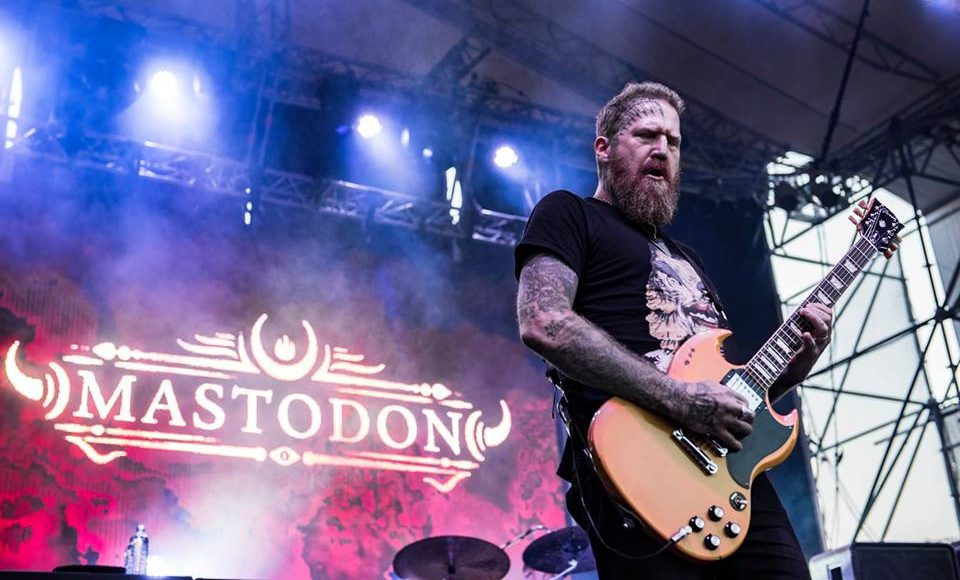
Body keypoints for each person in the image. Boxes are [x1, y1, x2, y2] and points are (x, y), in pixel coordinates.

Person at [513, 81, 832, 579]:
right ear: (603, 148)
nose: (663, 149)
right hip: (636, 466)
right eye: (646, 135)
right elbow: (544, 322)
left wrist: (793, 369)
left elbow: (731, 395)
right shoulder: (569, 213)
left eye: (674, 141)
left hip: (730, 477)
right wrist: (678, 399)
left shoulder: (688, 258)